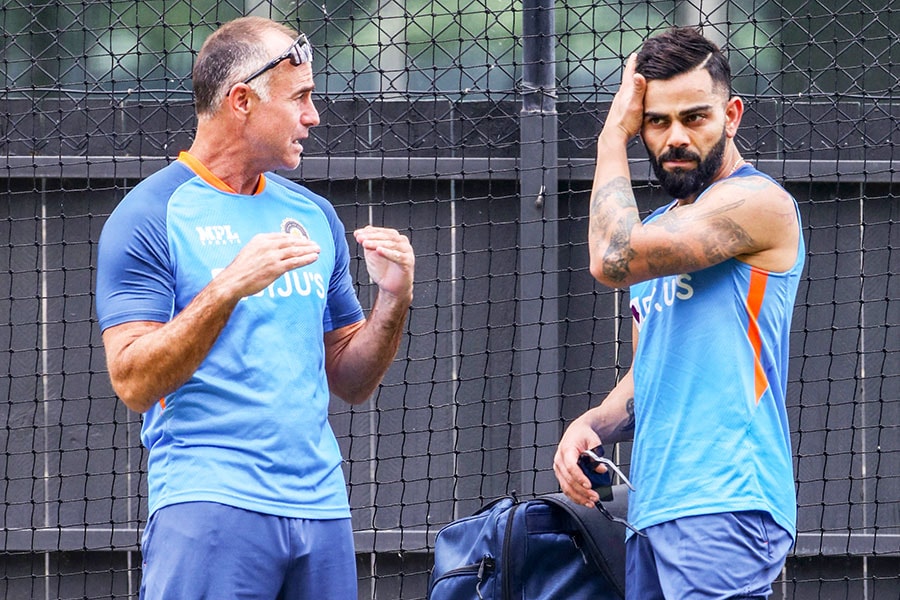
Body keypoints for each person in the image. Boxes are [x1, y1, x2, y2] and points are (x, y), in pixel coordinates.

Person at [95, 16, 414, 600]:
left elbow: (350, 378)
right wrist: (227, 287)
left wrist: (393, 300)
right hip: (210, 507)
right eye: (302, 98)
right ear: (242, 100)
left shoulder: (314, 215)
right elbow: (134, 380)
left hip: (321, 510)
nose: (314, 116)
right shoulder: (148, 216)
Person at [553, 27, 804, 600]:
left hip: (726, 500)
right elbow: (653, 372)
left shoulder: (758, 203)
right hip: (654, 508)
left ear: (732, 114)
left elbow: (612, 258)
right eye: (658, 121)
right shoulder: (661, 228)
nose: (676, 137)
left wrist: (611, 137)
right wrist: (592, 424)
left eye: (695, 118)